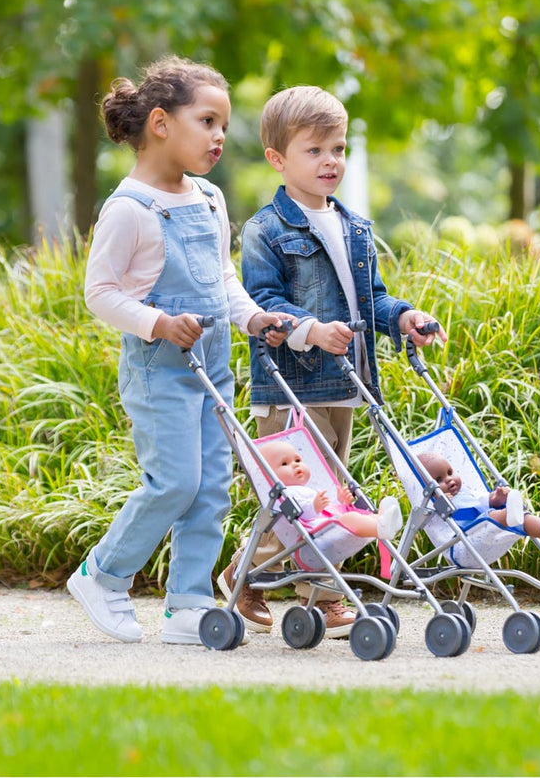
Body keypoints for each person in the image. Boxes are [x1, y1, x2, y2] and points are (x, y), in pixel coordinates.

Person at [67, 55, 292, 645]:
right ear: (161, 123)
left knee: (212, 486)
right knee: (174, 482)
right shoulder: (128, 209)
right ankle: (103, 575)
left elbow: (222, 278)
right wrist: (158, 322)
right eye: (207, 121)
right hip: (158, 372)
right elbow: (100, 294)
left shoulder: (210, 200)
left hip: (212, 369)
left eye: (224, 124)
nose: (220, 136)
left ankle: (188, 605)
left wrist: (252, 317)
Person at [219, 85, 445, 638]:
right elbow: (263, 304)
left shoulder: (355, 228)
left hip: (348, 381)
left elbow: (374, 298)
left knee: (329, 496)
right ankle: (247, 574)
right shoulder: (265, 230)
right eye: (314, 151)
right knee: (292, 495)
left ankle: (320, 595)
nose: (331, 162)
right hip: (291, 384)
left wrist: (404, 317)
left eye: (338, 149)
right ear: (278, 158)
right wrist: (310, 331)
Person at [259, 441, 403, 539]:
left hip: (328, 525)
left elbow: (329, 510)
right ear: (268, 475)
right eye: (285, 464)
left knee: (358, 516)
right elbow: (300, 514)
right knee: (350, 519)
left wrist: (343, 503)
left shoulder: (306, 489)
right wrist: (314, 505)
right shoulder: (284, 494)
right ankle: (381, 526)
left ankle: (384, 520)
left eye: (297, 460)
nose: (296, 465)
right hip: (316, 532)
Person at [417, 452, 540, 544]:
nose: (449, 480)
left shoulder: (468, 494)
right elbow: (432, 525)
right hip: (466, 541)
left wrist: (497, 498)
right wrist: (442, 502)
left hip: (493, 529)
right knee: (491, 516)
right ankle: (508, 515)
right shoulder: (435, 506)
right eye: (439, 480)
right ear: (427, 489)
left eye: (450, 472)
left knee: (520, 518)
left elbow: (485, 501)